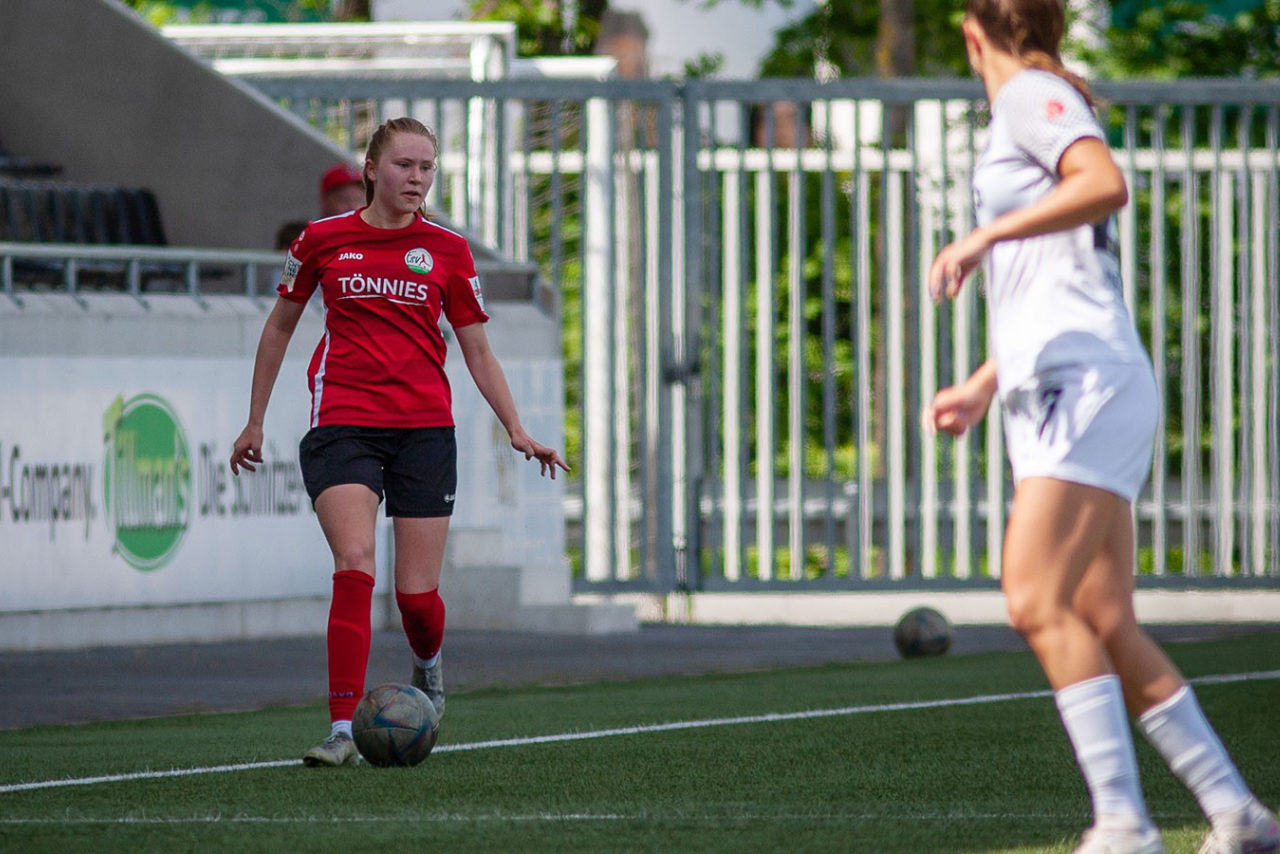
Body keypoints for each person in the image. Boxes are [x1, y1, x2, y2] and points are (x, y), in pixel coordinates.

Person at [924, 2, 1279, 853]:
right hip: (1078, 378)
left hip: (1081, 387)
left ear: (975, 35)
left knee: (1034, 597)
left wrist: (982, 235)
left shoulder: (1027, 96)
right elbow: (1053, 284)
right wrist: (981, 384)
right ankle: (1236, 813)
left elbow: (1102, 182)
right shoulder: (1034, 100)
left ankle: (1122, 822)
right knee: (1102, 613)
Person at [229, 116, 569, 768]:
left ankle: (429, 665)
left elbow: (476, 347)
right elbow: (278, 330)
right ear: (371, 168)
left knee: (416, 598)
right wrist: (255, 420)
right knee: (355, 562)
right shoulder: (322, 241)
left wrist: (517, 430)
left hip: (423, 430)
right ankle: (339, 729)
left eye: (425, 168)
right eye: (404, 165)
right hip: (343, 422)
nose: (416, 178)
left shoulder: (448, 249)